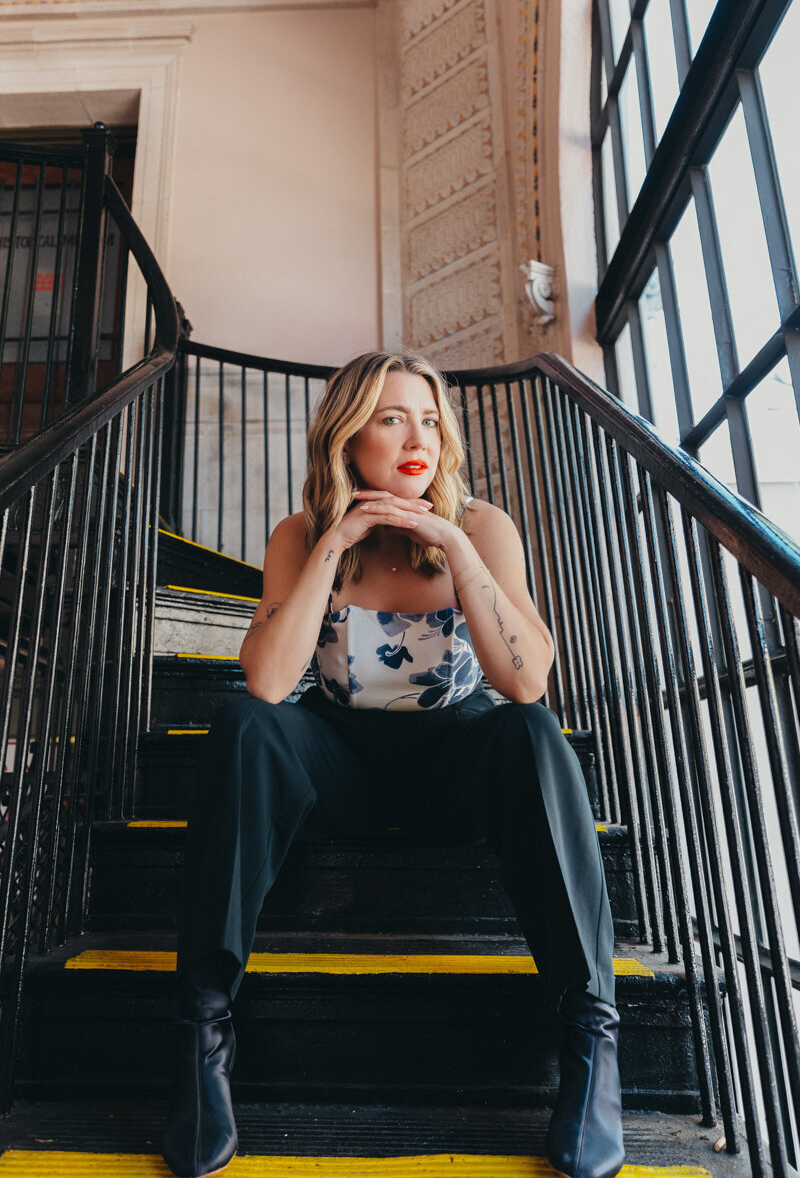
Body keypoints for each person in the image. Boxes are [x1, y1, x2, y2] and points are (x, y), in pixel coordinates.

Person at [162, 351, 624, 1178]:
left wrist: (449, 540)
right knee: (242, 723)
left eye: (429, 417)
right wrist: (335, 538)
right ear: (348, 436)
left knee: (535, 734)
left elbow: (528, 679)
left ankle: (591, 1037)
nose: (418, 435)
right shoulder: (302, 535)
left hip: (455, 756)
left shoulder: (482, 526)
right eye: (391, 417)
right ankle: (203, 1033)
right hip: (340, 760)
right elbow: (270, 681)